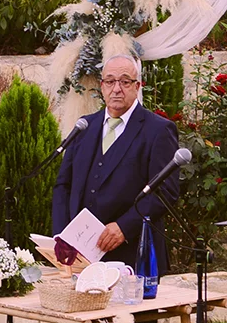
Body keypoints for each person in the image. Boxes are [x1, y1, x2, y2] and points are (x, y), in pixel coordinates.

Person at [51, 41, 182, 274]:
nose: (117, 89)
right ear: (102, 86)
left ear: (137, 86)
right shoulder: (84, 127)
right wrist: (62, 237)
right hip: (82, 256)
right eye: (110, 81)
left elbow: (165, 192)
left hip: (134, 254)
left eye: (125, 81)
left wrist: (124, 227)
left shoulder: (159, 130)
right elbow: (63, 186)